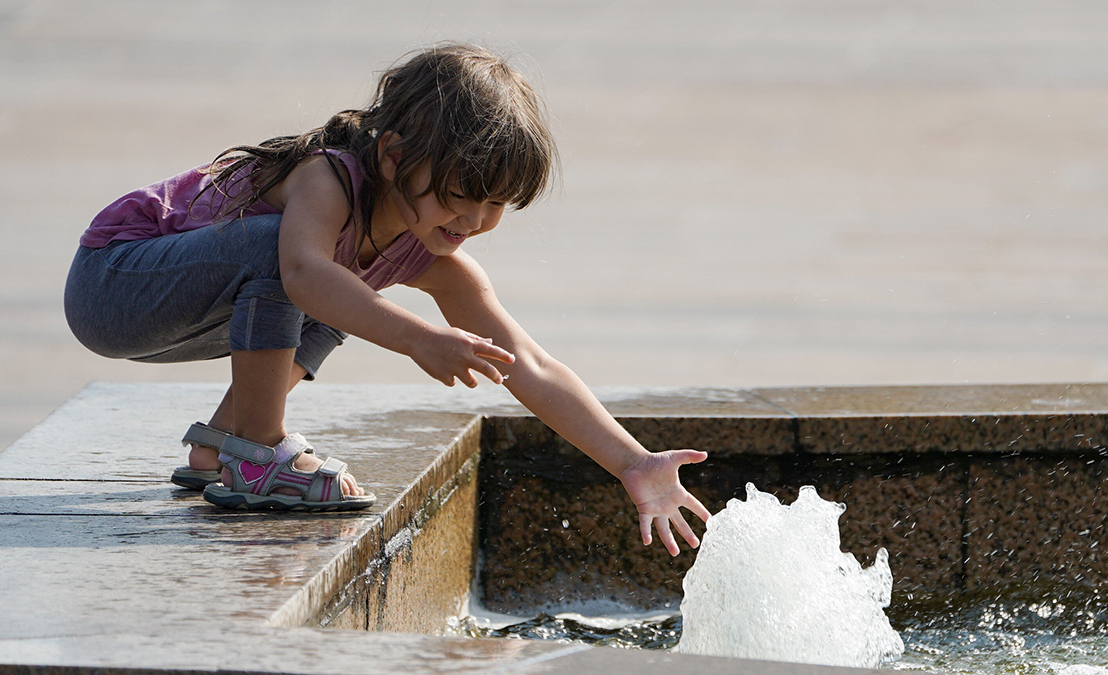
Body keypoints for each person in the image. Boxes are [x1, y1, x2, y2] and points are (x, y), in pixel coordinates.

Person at [63, 43, 710, 555]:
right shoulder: (327, 178)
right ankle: (261, 452)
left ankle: (222, 447)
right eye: (463, 190)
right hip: (114, 280)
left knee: (348, 285)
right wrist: (419, 338)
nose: (477, 217)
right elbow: (303, 273)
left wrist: (633, 460)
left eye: (497, 201)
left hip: (186, 305)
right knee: (303, 263)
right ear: (396, 157)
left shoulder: (432, 253)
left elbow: (530, 364)